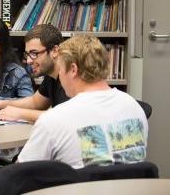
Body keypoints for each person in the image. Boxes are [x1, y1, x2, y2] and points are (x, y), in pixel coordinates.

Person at [18, 35, 148, 168]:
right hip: (130, 188)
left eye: (61, 69)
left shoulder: (53, 119)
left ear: (73, 70)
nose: (60, 76)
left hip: (77, 188)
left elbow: (21, 173)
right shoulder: (135, 109)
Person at [0, 24, 69, 123]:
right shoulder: (51, 76)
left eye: (34, 53)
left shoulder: (71, 78)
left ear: (54, 51)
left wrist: (20, 113)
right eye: (27, 54)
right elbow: (34, 102)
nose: (28, 61)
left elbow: (66, 117)